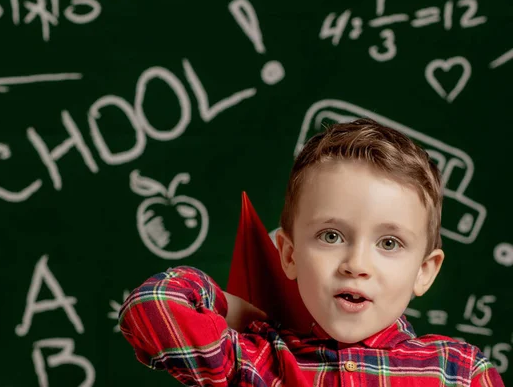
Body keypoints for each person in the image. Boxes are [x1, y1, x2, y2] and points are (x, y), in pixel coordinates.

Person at [118, 118, 504, 386]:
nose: (356, 265)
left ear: (424, 270)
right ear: (288, 254)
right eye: (331, 236)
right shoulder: (254, 362)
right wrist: (229, 307)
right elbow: (149, 307)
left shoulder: (458, 371)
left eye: (389, 243)